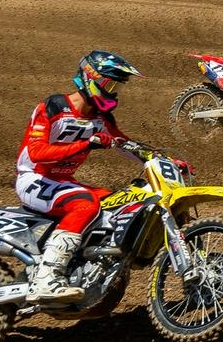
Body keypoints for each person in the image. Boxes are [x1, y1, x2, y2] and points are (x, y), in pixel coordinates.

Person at [13, 51, 147, 295]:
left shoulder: (101, 116)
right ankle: (47, 276)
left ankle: (84, 266)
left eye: (117, 85)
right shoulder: (53, 106)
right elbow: (37, 152)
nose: (112, 90)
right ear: (90, 79)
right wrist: (87, 143)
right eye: (109, 83)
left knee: (119, 202)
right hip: (33, 178)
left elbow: (126, 145)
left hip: (63, 182)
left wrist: (163, 159)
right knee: (85, 205)